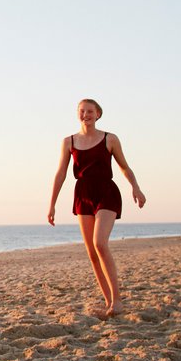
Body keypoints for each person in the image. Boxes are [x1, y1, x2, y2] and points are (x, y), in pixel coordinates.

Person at [48, 98, 146, 317]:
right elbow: (61, 174)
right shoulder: (69, 142)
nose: (86, 114)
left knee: (99, 243)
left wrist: (136, 188)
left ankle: (117, 300)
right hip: (82, 194)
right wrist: (52, 204)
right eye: (82, 111)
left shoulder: (110, 139)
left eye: (90, 111)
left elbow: (124, 167)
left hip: (106, 192)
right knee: (92, 252)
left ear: (98, 114)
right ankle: (109, 301)